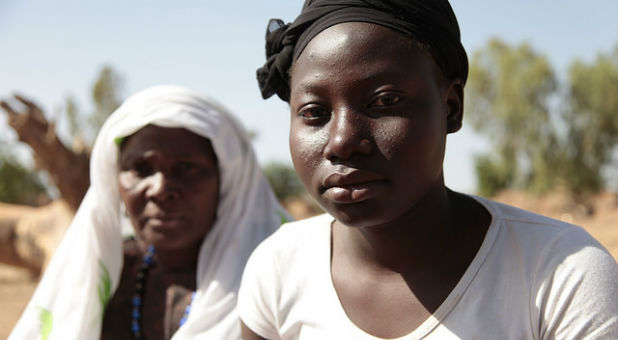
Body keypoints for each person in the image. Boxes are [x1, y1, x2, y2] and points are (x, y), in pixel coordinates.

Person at [237, 1, 618, 339]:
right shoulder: (279, 267)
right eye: (315, 113)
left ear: (451, 107)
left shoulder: (560, 275)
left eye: (384, 101)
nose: (341, 141)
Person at [8, 85, 288, 340]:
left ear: (227, 180)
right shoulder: (98, 273)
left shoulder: (279, 277)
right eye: (141, 169)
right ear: (115, 179)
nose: (160, 188)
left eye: (186, 168)